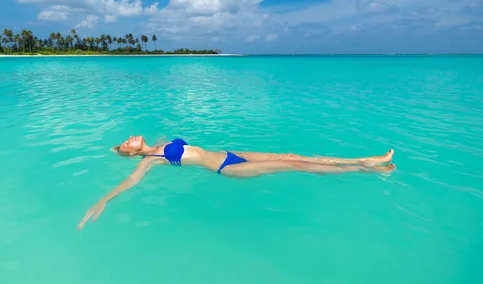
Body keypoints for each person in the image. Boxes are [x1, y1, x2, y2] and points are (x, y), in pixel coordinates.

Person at [77, 136, 395, 229]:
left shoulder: (158, 143)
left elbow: (167, 144)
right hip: (226, 168)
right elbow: (132, 180)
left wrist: (150, 144)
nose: (131, 138)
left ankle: (364, 159)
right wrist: (104, 199)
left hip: (229, 153)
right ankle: (364, 169)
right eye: (127, 142)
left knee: (290, 151)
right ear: (131, 153)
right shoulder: (151, 159)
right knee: (296, 165)